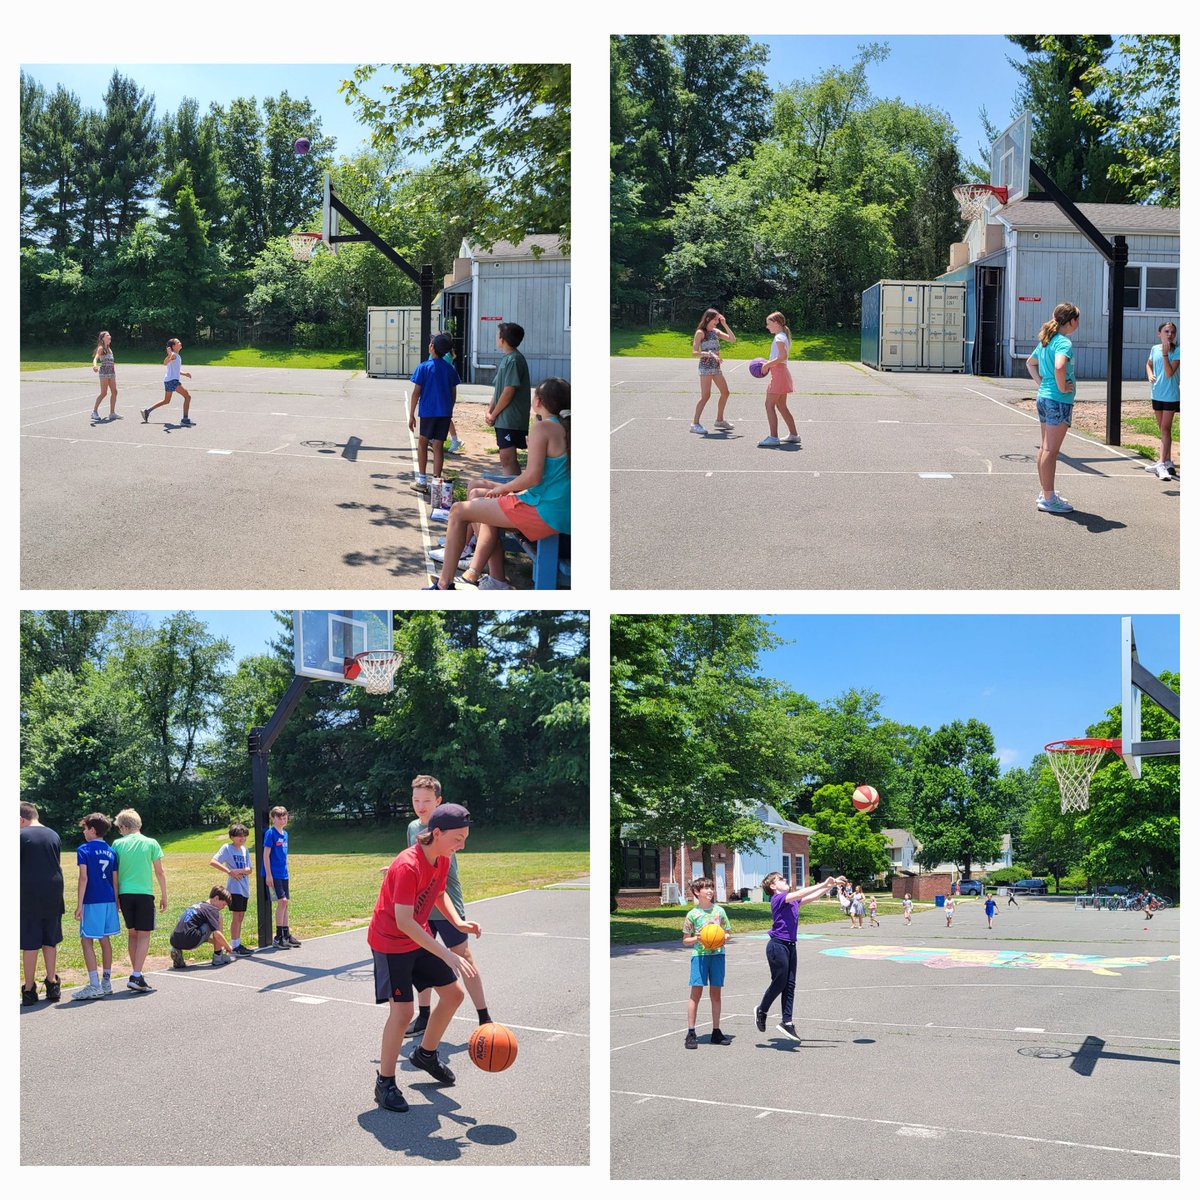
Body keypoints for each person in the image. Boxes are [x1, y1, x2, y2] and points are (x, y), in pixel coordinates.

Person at [368, 803, 480, 1113]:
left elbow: (439, 892)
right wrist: (447, 953)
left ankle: (426, 1054)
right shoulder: (407, 865)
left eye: (465, 838)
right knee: (403, 1013)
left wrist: (457, 923)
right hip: (391, 943)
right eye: (458, 838)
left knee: (453, 995)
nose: (462, 845)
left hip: (417, 936)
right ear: (438, 833)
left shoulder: (442, 858)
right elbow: (404, 922)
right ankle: (385, 1082)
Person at [425, 378, 569, 591]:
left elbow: (533, 477)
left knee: (458, 510)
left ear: (537, 400)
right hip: (554, 507)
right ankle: (496, 579)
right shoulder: (563, 427)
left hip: (544, 510)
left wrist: (502, 489)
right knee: (481, 505)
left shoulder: (543, 428)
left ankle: (444, 586)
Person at [402, 776, 493, 1039]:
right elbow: (413, 861)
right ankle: (424, 1014)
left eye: (426, 801)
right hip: (420, 908)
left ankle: (484, 1015)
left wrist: (457, 919)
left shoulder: (446, 832)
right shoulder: (413, 827)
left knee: (464, 958)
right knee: (422, 962)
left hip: (445, 904)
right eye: (416, 800)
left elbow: (438, 880)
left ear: (438, 802)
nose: (421, 805)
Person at [755, 872, 845, 1041]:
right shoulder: (778, 899)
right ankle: (762, 1009)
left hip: (790, 946)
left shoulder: (792, 901)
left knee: (790, 985)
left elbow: (810, 897)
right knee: (780, 982)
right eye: (780, 879)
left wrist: (830, 886)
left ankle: (787, 1023)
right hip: (777, 946)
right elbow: (801, 893)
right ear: (773, 887)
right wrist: (823, 882)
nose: (785, 880)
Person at [1025, 301, 1081, 514]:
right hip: (1057, 400)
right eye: (1078, 319)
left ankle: (1046, 492)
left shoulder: (1047, 341)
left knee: (1044, 448)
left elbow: (1030, 363)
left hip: (1045, 398)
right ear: (1072, 321)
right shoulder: (1063, 343)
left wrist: (1043, 384)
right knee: (1050, 450)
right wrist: (1060, 386)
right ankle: (1049, 498)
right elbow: (1059, 366)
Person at [112, 809, 167, 993]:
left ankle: (137, 973)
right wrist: (164, 894)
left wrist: (116, 896)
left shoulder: (117, 844)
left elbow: (115, 873)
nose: (119, 832)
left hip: (125, 894)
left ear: (124, 826)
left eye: (119, 828)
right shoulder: (151, 843)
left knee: (132, 933)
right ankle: (136, 974)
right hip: (144, 893)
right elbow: (159, 871)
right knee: (144, 934)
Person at [20, 802, 65, 1007]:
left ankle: (29, 989)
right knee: (50, 940)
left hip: (28, 894)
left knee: (30, 943)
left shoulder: (20, 836)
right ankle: (52, 982)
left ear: (21, 819)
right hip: (53, 892)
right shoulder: (54, 835)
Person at [72, 813, 119, 1000]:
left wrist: (79, 904)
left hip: (92, 900)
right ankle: (107, 982)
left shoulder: (84, 849)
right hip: (109, 900)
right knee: (105, 940)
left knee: (86, 940)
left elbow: (84, 877)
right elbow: (115, 881)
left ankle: (94, 985)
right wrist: (116, 901)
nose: (84, 832)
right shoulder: (111, 851)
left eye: (85, 828)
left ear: (92, 830)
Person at [407, 333, 461, 496]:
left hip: (429, 412)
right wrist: (448, 410)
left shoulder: (424, 367)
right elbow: (453, 393)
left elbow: (416, 393)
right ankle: (436, 482)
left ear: (432, 347)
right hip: (444, 413)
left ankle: (422, 481)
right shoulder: (450, 368)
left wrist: (411, 415)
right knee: (438, 446)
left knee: (423, 443)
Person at [681, 876, 732, 1048]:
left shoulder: (720, 912)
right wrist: (699, 937)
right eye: (706, 888)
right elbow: (685, 940)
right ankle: (691, 1032)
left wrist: (723, 937)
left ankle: (716, 1031)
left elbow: (727, 933)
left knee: (716, 995)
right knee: (696, 994)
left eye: (711, 887)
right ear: (696, 892)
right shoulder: (692, 914)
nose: (710, 890)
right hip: (700, 956)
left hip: (717, 955)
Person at [485, 322, 531, 476]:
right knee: (505, 457)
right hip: (503, 417)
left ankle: (513, 494)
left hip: (511, 418)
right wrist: (489, 410)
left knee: (507, 458)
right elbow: (499, 390)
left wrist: (495, 413)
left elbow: (509, 390)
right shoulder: (507, 359)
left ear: (503, 339)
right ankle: (512, 491)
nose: (497, 338)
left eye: (498, 335)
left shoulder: (514, 360)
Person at [210, 823, 255, 956]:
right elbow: (213, 861)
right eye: (239, 836)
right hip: (234, 888)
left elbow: (249, 870)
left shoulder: (245, 850)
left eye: (245, 836)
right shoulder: (227, 848)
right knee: (236, 916)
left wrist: (240, 871)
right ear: (232, 837)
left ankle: (237, 943)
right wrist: (230, 871)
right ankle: (234, 945)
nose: (243, 839)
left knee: (241, 916)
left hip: (244, 887)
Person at [757, 311, 800, 448]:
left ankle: (773, 437)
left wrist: (767, 364)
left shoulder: (779, 338)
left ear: (776, 323)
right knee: (781, 406)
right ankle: (793, 435)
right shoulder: (781, 336)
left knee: (769, 405)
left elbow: (782, 356)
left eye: (769, 324)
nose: (767, 326)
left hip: (779, 374)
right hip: (781, 374)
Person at [689, 309, 736, 434]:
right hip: (706, 367)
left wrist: (725, 324)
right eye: (716, 319)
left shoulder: (715, 331)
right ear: (708, 319)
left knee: (725, 393)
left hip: (716, 367)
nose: (717, 322)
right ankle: (695, 424)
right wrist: (710, 354)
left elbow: (732, 339)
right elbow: (694, 352)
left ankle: (719, 420)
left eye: (718, 320)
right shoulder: (700, 332)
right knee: (706, 396)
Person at [1144, 321, 1180, 480]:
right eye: (1166, 331)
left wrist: (1166, 354)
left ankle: (1160, 463)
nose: (1170, 335)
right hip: (1156, 394)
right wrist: (1150, 373)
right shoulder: (1154, 349)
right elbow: (1148, 363)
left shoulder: (1177, 351)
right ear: (1160, 334)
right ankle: (1168, 461)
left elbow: (1169, 373)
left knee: (1165, 429)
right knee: (1163, 430)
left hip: (1170, 396)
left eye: (1172, 332)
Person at [262, 806, 300, 949]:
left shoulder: (285, 834)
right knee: (281, 901)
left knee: (285, 903)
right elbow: (266, 855)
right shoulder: (270, 834)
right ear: (273, 818)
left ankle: (286, 934)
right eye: (279, 818)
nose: (283, 820)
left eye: (284, 817)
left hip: (284, 873)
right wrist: (268, 874)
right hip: (274, 873)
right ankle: (278, 937)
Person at [170, 886, 235, 967]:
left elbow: (203, 936)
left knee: (201, 926)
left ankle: (176, 951)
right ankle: (218, 957)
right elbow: (217, 934)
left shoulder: (199, 905)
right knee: (218, 919)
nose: (223, 907)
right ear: (216, 898)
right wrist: (228, 947)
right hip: (190, 940)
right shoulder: (212, 910)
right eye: (224, 904)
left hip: (175, 939)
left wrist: (220, 943)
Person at [142, 337, 194, 426]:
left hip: (168, 380)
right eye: (178, 342)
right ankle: (185, 420)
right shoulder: (173, 355)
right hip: (173, 381)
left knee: (166, 401)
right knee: (187, 397)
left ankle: (147, 411)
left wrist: (185, 374)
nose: (180, 343)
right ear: (173, 346)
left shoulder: (176, 355)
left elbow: (176, 369)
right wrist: (169, 355)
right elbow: (165, 363)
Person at [91, 330, 118, 423]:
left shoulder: (109, 349)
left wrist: (113, 370)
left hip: (111, 372)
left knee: (114, 392)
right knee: (104, 393)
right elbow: (95, 358)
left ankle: (112, 413)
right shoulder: (101, 348)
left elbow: (112, 361)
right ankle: (94, 412)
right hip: (104, 373)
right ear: (103, 338)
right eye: (107, 335)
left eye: (109, 335)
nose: (110, 336)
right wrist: (94, 366)